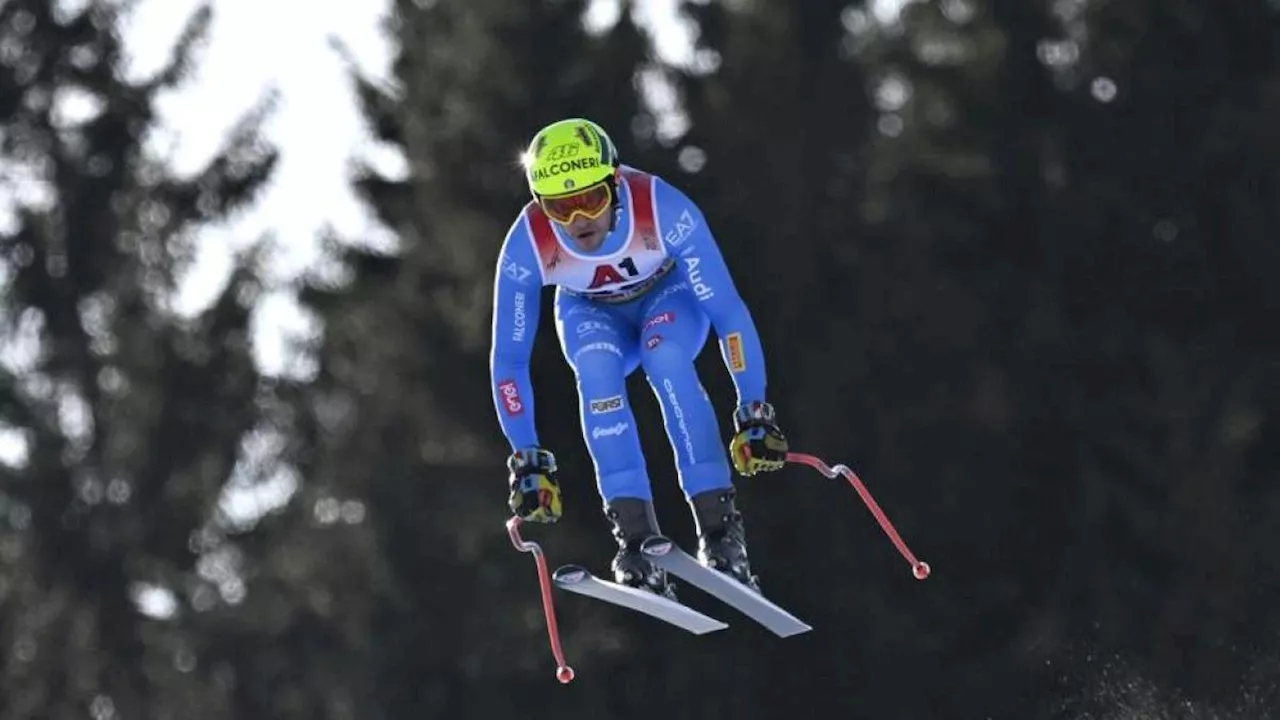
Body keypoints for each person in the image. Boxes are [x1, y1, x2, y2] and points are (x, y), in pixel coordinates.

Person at [489, 117, 789, 598]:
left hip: (667, 300)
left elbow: (728, 311)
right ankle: (634, 540)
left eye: (591, 199)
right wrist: (526, 458)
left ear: (616, 183)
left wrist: (753, 408)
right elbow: (508, 360)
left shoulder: (661, 207)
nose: (578, 220)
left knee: (666, 359)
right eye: (559, 207)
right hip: (590, 312)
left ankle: (720, 532)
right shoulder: (527, 243)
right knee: (595, 370)